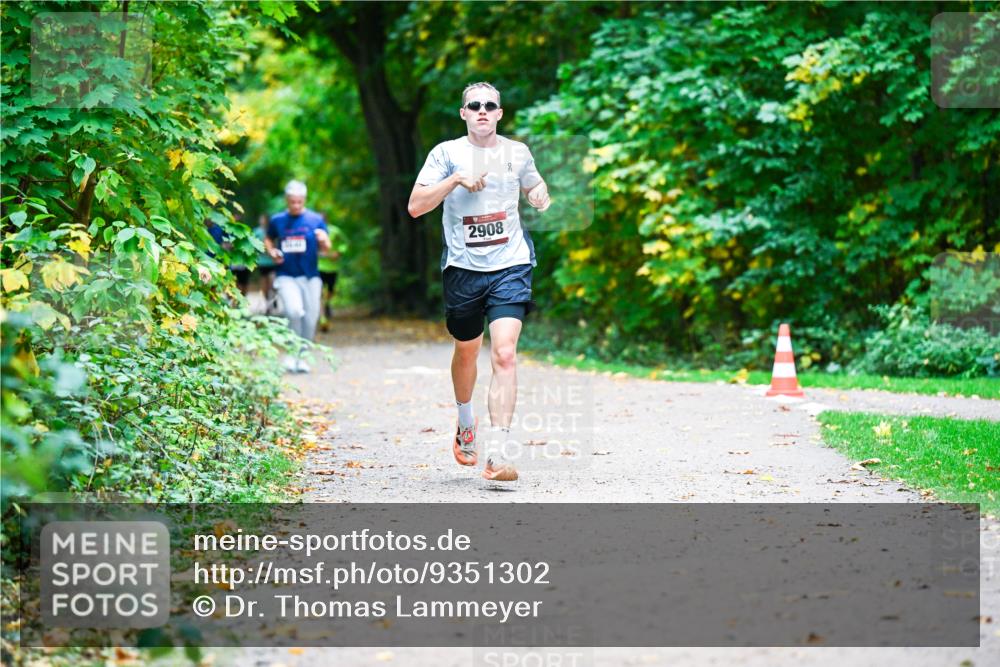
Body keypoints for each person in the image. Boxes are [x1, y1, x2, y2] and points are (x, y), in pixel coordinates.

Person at [407, 81, 550, 484]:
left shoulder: (517, 153)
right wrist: (454, 180)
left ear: (500, 113)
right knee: (466, 350)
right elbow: (415, 207)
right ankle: (465, 421)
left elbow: (534, 185)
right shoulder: (445, 154)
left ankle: (499, 452)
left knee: (504, 353)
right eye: (475, 105)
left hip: (511, 265)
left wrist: (540, 195)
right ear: (464, 113)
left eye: (491, 105)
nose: (483, 110)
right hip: (463, 270)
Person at [263, 180, 331, 373]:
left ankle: (302, 355)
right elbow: (268, 238)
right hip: (286, 274)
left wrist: (323, 240)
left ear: (304, 200)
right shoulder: (278, 220)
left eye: (299, 202)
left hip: (310, 276)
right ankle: (291, 353)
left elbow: (326, 247)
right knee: (294, 311)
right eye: (292, 202)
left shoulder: (315, 219)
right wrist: (272, 251)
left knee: (311, 317)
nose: (295, 205)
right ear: (287, 200)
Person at [316, 215, 348, 332]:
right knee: (318, 292)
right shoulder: (313, 232)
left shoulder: (335, 230)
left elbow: (344, 243)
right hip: (318, 266)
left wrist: (338, 253)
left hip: (332, 267)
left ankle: (327, 304)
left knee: (330, 290)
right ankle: (323, 318)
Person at [254, 214, 278, 314]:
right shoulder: (257, 231)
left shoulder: (273, 231)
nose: (263, 221)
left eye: (264, 219)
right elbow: (253, 245)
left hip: (273, 262)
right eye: (261, 219)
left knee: (273, 283)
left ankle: (274, 298)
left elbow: (277, 242)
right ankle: (267, 303)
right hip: (262, 262)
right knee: (264, 284)